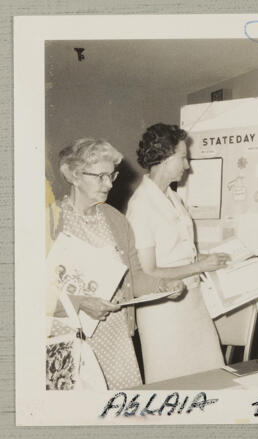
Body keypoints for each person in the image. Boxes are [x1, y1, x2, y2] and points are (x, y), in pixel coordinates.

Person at [47, 138, 184, 390]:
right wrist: (80, 303)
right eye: (100, 176)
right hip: (68, 338)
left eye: (112, 175)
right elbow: (27, 292)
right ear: (74, 176)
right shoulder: (48, 222)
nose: (109, 184)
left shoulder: (116, 221)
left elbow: (135, 277)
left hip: (116, 337)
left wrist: (164, 284)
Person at [126, 123, 230, 383]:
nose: (187, 166)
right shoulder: (141, 205)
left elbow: (181, 252)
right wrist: (200, 266)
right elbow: (148, 271)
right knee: (173, 384)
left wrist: (209, 261)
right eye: (183, 157)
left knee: (210, 377)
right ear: (163, 158)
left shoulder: (173, 198)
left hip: (193, 301)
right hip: (164, 309)